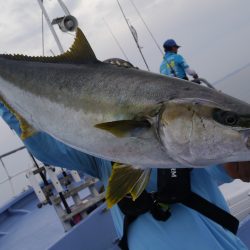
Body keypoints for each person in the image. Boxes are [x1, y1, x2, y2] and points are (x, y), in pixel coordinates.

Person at [1, 100, 250, 250]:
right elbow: (44, 146)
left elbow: (236, 165)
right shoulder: (100, 155)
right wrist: (6, 102)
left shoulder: (194, 145)